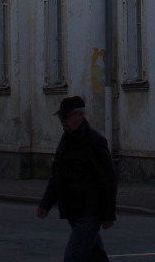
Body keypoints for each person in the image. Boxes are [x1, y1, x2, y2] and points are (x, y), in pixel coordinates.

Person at [36, 96, 116, 262]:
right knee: (95, 255)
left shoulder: (94, 141)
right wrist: (46, 203)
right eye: (61, 118)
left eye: (65, 117)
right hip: (73, 211)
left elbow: (108, 180)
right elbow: (57, 174)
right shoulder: (66, 141)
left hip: (89, 211)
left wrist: (108, 215)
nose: (63, 121)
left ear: (80, 115)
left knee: (73, 256)